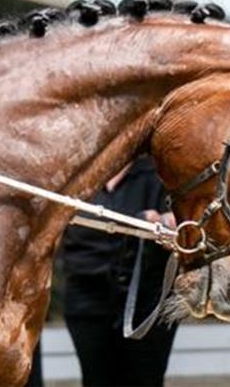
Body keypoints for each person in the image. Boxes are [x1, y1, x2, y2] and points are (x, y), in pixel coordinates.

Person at [60, 155, 179, 387]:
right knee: (96, 379)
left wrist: (168, 223)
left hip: (147, 300)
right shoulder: (77, 176)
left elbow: (183, 220)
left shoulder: (160, 175)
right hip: (87, 298)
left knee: (145, 380)